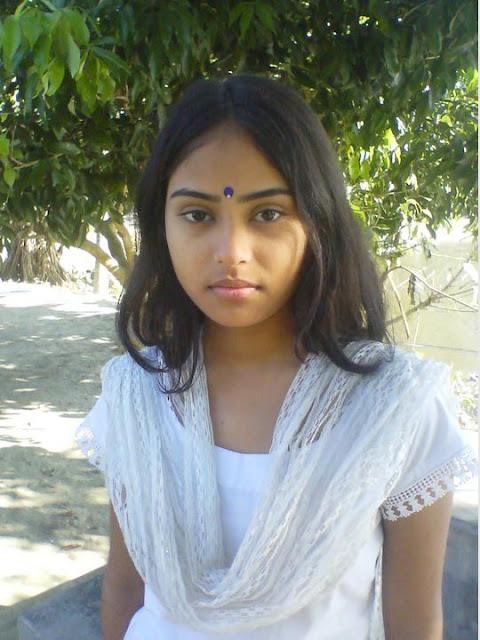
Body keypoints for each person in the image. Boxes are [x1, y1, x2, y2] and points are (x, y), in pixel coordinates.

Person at [75, 74, 477, 640]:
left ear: (318, 221)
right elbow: (124, 591)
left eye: (267, 214)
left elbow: (413, 624)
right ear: (161, 226)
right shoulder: (135, 396)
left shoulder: (394, 409)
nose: (231, 253)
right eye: (197, 215)